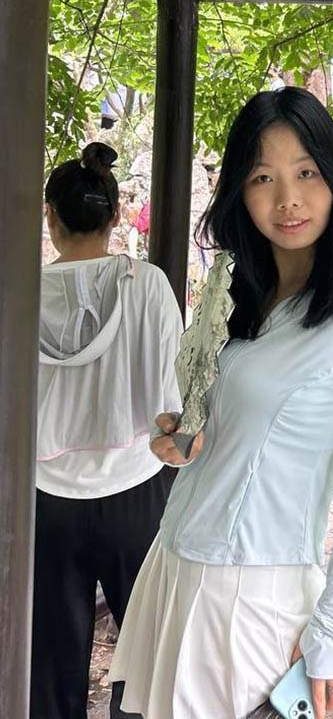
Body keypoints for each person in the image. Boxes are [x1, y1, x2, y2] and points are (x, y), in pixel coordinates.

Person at [109, 88, 333, 719]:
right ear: (239, 193)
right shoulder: (237, 288)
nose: (287, 199)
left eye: (306, 173)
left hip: (251, 594)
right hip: (171, 564)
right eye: (262, 178)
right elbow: (230, 425)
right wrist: (185, 436)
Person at [34, 142, 184, 719]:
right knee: (145, 650)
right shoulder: (148, 284)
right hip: (136, 490)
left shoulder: (19, 291)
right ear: (117, 215)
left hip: (46, 498)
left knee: (51, 659)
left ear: (50, 215)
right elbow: (173, 395)